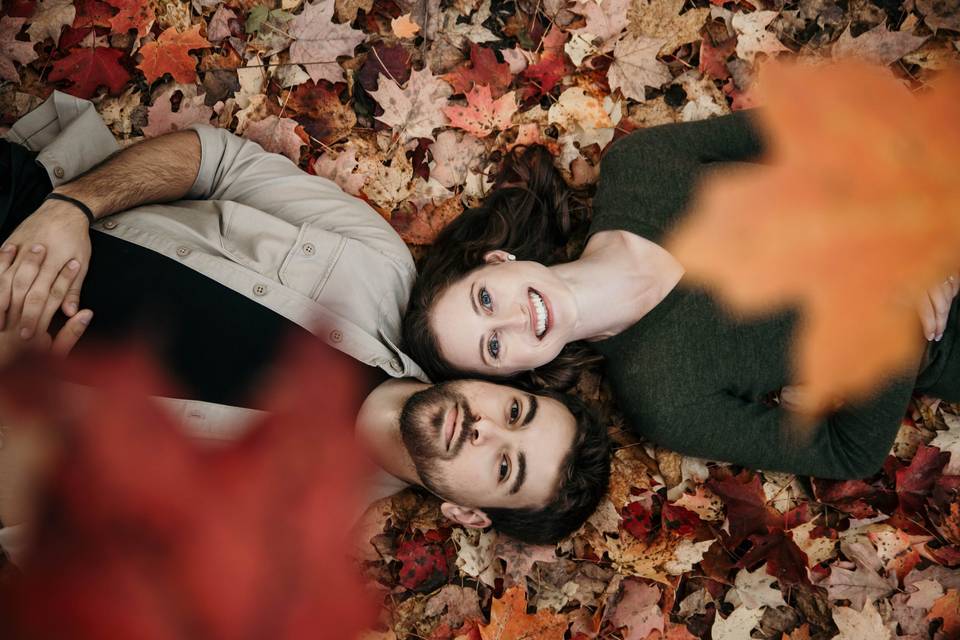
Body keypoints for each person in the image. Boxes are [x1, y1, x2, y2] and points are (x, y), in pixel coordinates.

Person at [0, 93, 611, 558]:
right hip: (27, 211)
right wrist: (74, 205)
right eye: (514, 415)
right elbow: (220, 163)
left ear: (466, 514)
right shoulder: (377, 266)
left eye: (505, 468)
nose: (484, 431)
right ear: (504, 387)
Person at [403, 110, 960, 480]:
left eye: (484, 301)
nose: (513, 321)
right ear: (516, 375)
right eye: (493, 348)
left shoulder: (641, 166)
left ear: (498, 260)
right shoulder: (665, 401)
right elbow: (849, 453)